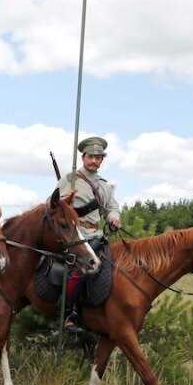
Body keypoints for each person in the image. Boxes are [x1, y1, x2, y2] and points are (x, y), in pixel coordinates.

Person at [56, 136, 122, 332]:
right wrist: (65, 200)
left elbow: (112, 206)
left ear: (102, 159)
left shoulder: (104, 185)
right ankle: (66, 312)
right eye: (90, 157)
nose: (94, 160)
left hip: (97, 235)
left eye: (98, 157)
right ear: (83, 157)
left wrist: (113, 217)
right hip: (76, 235)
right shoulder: (70, 179)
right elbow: (53, 206)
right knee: (81, 270)